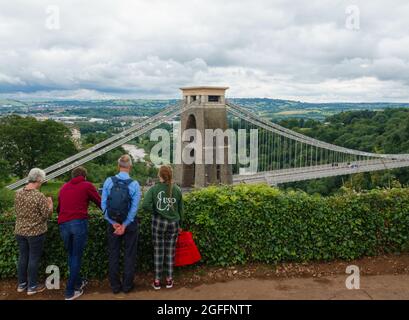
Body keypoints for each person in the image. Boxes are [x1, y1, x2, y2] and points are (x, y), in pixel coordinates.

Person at [57, 166, 101, 300]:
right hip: (78, 223)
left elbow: (59, 208)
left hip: (63, 224)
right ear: (84, 176)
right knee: (76, 256)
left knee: (71, 255)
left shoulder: (63, 188)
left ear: (72, 176)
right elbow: (100, 202)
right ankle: (70, 291)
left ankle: (78, 282)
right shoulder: (87, 185)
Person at [101, 154, 141, 294]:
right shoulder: (134, 184)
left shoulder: (108, 181)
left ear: (118, 166)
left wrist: (113, 222)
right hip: (129, 224)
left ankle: (115, 286)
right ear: (130, 167)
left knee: (113, 253)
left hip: (112, 223)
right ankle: (127, 286)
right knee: (129, 254)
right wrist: (124, 225)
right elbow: (134, 208)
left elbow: (104, 205)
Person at [142, 165, 183, 290]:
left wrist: (156, 211)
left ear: (159, 175)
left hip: (158, 223)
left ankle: (157, 281)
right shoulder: (177, 189)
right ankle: (169, 280)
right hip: (173, 223)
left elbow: (145, 205)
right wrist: (180, 224)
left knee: (158, 251)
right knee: (170, 252)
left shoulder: (154, 189)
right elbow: (181, 209)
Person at [14, 168, 53, 295]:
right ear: (38, 179)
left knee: (23, 257)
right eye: (42, 179)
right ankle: (32, 287)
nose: (42, 182)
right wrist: (50, 204)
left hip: (20, 231)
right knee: (33, 259)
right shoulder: (39, 196)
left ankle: (21, 285)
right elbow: (46, 215)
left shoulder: (18, 193)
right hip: (35, 233)